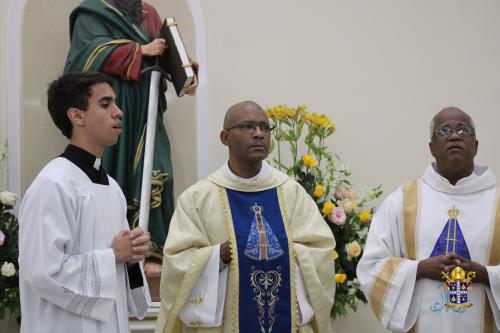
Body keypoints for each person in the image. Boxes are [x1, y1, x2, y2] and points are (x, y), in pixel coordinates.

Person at [154, 101, 335, 333]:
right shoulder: (198, 198)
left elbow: (321, 249)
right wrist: (215, 257)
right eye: (248, 126)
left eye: (265, 127)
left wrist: (289, 252)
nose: (259, 134)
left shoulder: (291, 192)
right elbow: (176, 261)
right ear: (225, 137)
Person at [64, 0, 198, 258]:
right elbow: (86, 54)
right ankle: (116, 248)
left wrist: (186, 72)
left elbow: (166, 52)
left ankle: (153, 250)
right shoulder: (91, 11)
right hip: (111, 105)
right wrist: (139, 50)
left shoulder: (149, 13)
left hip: (146, 106)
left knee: (157, 168)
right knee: (115, 171)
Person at [18, 72, 151, 333]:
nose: (119, 112)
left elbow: (119, 260)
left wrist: (131, 256)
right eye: (106, 104)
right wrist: (114, 255)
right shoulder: (53, 184)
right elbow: (43, 272)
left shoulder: (112, 188)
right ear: (77, 116)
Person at [357, 107, 500, 332]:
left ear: (476, 145)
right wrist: (420, 269)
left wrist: (486, 275)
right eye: (444, 131)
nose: (455, 135)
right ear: (431, 148)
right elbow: (371, 267)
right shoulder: (402, 202)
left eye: (464, 130)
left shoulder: (498, 203)